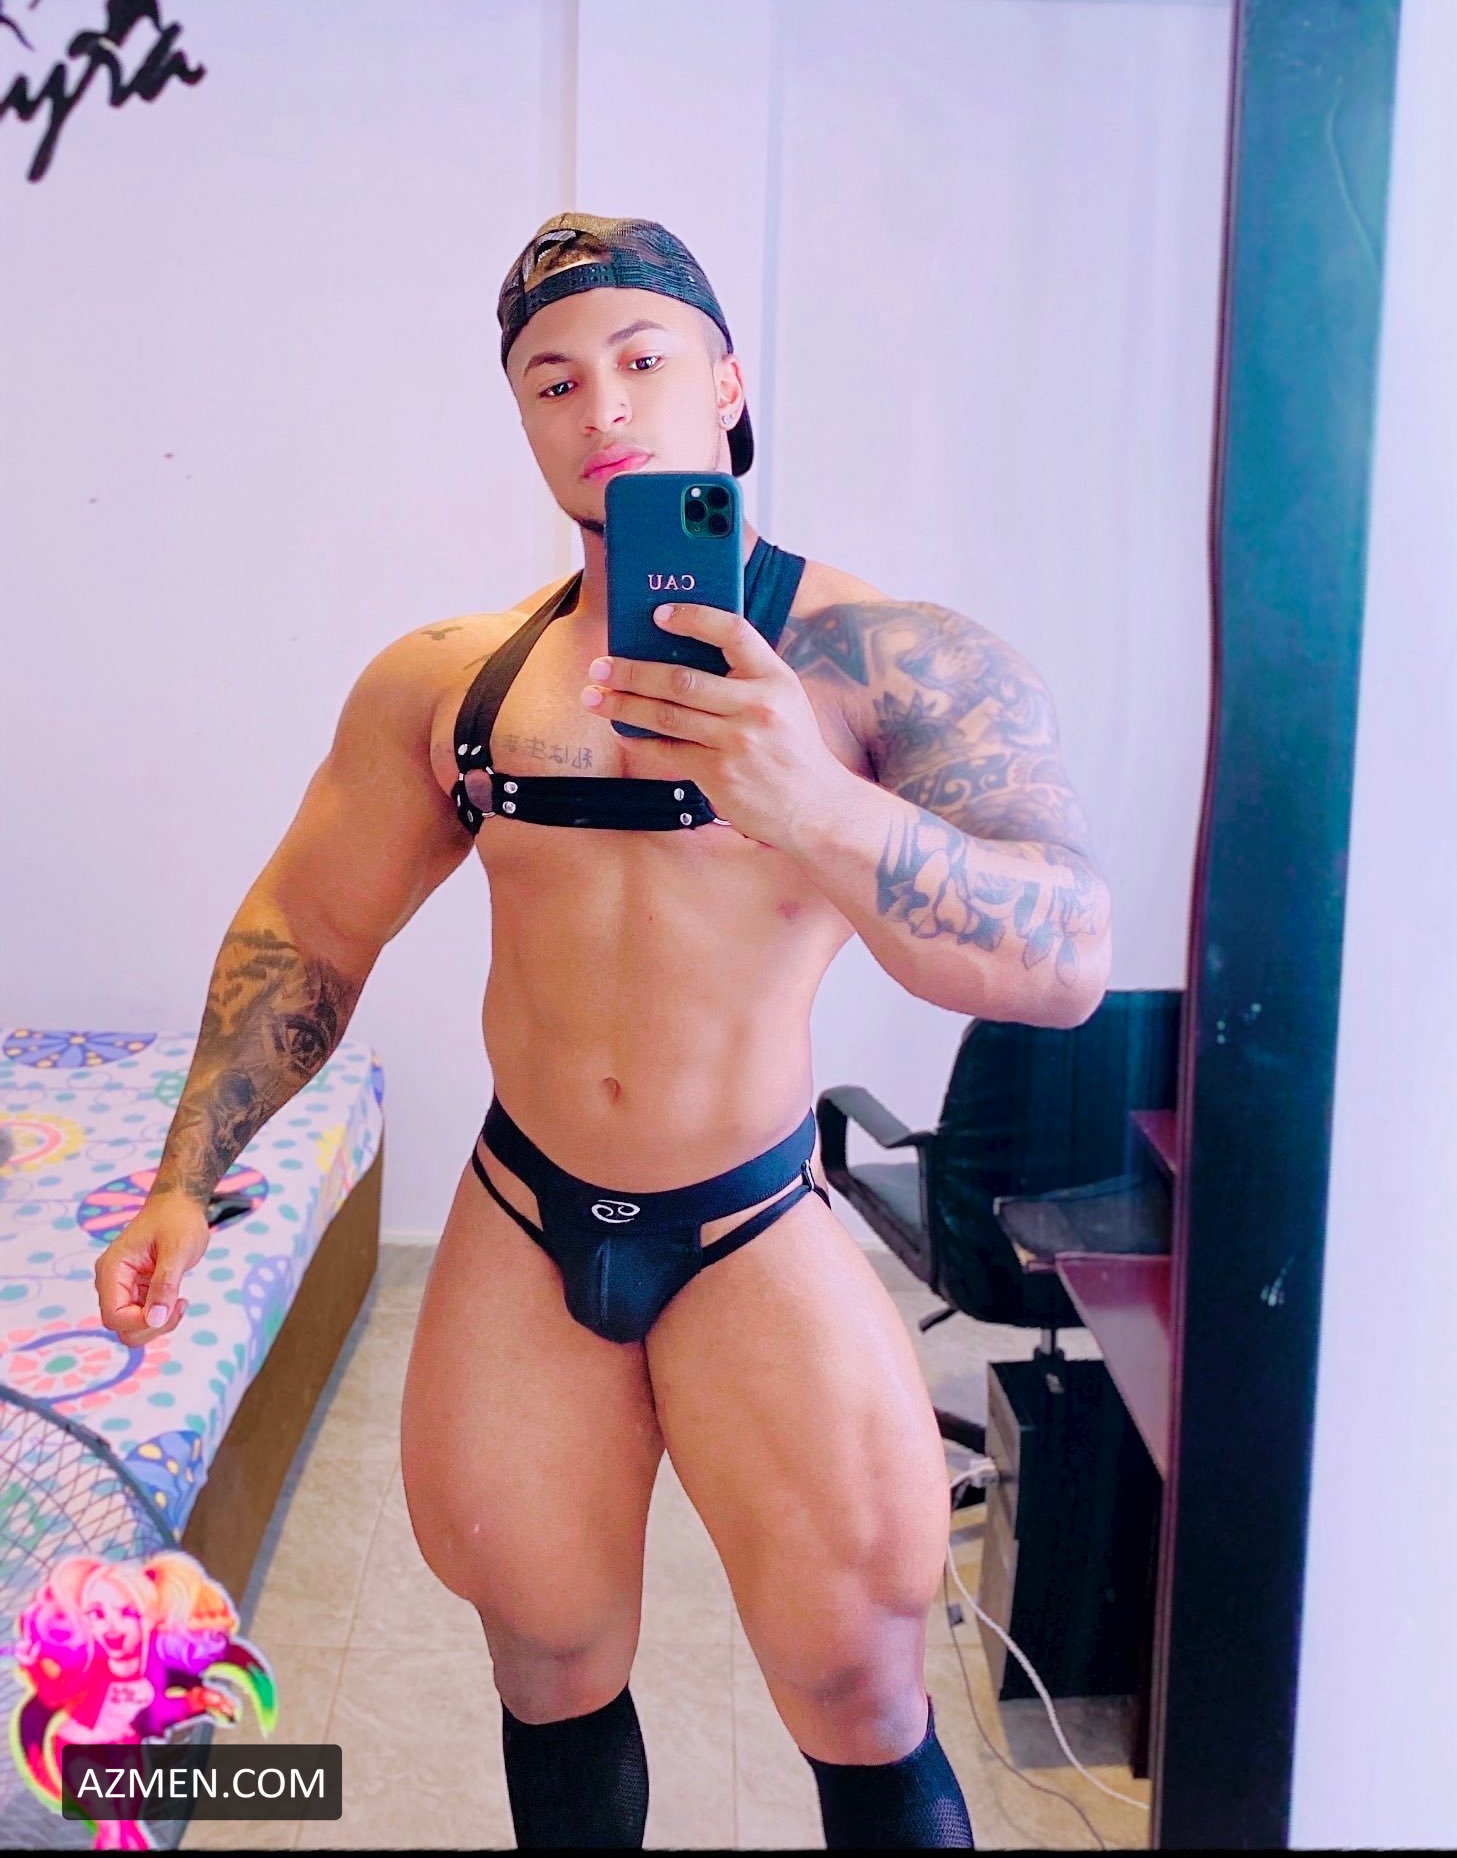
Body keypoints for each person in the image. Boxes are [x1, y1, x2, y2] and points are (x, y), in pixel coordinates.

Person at [94, 213, 1112, 1850]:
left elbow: (1061, 956)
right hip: (526, 1210)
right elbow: (310, 931)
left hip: (749, 1217)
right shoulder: (452, 683)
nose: (603, 405)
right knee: (548, 1654)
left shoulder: (887, 661)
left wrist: (808, 800)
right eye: (553, 379)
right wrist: (179, 1179)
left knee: (856, 1682)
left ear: (726, 381)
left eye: (642, 359)